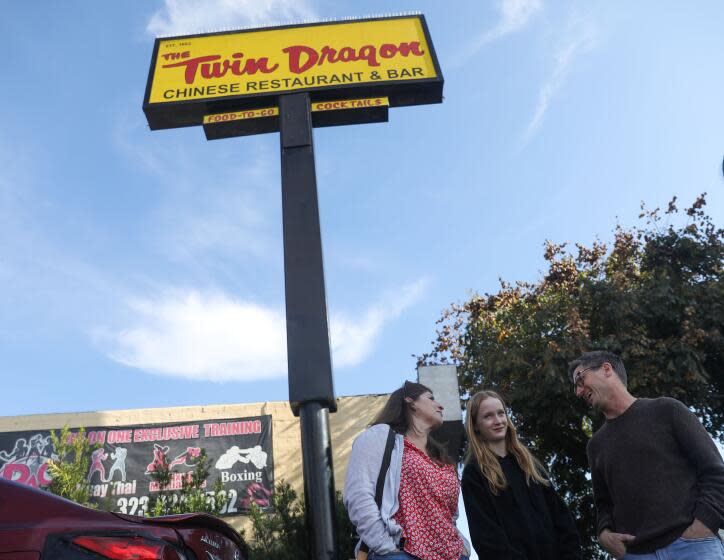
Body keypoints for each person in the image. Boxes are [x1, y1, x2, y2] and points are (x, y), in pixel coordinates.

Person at [570, 350, 724, 559]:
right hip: (637, 555)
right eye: (576, 387)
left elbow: (715, 472)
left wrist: (704, 525)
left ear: (607, 369)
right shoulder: (595, 445)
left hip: (694, 547)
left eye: (580, 379)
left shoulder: (667, 410)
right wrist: (604, 534)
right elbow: (603, 504)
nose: (578, 391)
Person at [344, 381, 470, 560]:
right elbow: (358, 494)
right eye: (431, 398)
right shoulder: (380, 436)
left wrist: (464, 546)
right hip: (403, 553)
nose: (440, 405)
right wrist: (385, 547)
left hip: (454, 555)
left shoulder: (441, 458)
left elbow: (450, 515)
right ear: (410, 401)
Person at [461, 390, 582, 559]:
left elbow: (562, 519)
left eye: (501, 413)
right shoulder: (474, 474)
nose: (498, 421)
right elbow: (486, 538)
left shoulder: (530, 465)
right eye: (488, 416)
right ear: (475, 425)